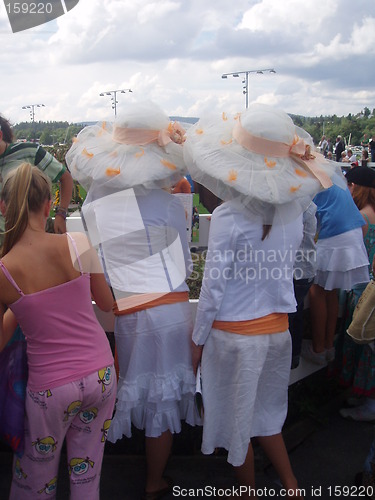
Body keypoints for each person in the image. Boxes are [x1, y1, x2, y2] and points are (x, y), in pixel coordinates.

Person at [183, 103, 337, 497]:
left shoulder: (231, 217)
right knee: (265, 418)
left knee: (238, 426)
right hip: (277, 332)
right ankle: (290, 486)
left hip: (234, 336)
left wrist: (197, 340)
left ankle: (249, 492)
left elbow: (213, 289)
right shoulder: (291, 210)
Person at [65, 101, 200, 499]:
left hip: (130, 311)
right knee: (162, 401)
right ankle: (154, 482)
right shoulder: (169, 204)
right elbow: (184, 261)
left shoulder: (95, 208)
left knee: (127, 391)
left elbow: (95, 264)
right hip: (173, 307)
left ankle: (91, 477)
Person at [0, 163, 116, 499]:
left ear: (3, 207)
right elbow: (106, 304)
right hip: (102, 374)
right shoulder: (77, 243)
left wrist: (21, 309)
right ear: (50, 202)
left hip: (51, 389)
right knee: (86, 473)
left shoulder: (6, 271)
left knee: (37, 476)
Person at [302, 175, 370, 365]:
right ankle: (328, 346)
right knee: (330, 291)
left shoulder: (307, 179)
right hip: (351, 232)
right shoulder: (332, 174)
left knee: (317, 291)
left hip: (334, 235)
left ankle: (318, 349)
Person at [336, 166, 375, 421]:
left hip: (363, 290)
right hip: (369, 287)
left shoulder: (361, 217)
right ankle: (365, 398)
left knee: (364, 344)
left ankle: (369, 404)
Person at [0, 114, 73, 237]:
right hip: (6, 244)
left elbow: (65, 178)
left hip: (36, 237)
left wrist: (61, 214)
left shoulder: (29, 152)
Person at [289, 201, 317, 369]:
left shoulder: (298, 206)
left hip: (296, 270)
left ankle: (289, 359)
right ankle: (293, 357)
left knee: (290, 316)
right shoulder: (308, 203)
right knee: (296, 314)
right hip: (304, 270)